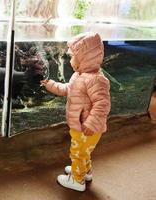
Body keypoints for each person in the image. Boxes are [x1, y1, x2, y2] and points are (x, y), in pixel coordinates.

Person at [41, 32, 111, 192]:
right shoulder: (79, 75)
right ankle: (85, 173)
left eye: (73, 57)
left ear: (85, 59)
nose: (70, 60)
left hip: (86, 128)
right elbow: (68, 89)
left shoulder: (96, 80)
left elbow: (102, 104)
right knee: (83, 151)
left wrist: (90, 123)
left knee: (78, 152)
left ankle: (77, 180)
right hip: (80, 125)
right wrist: (50, 84)